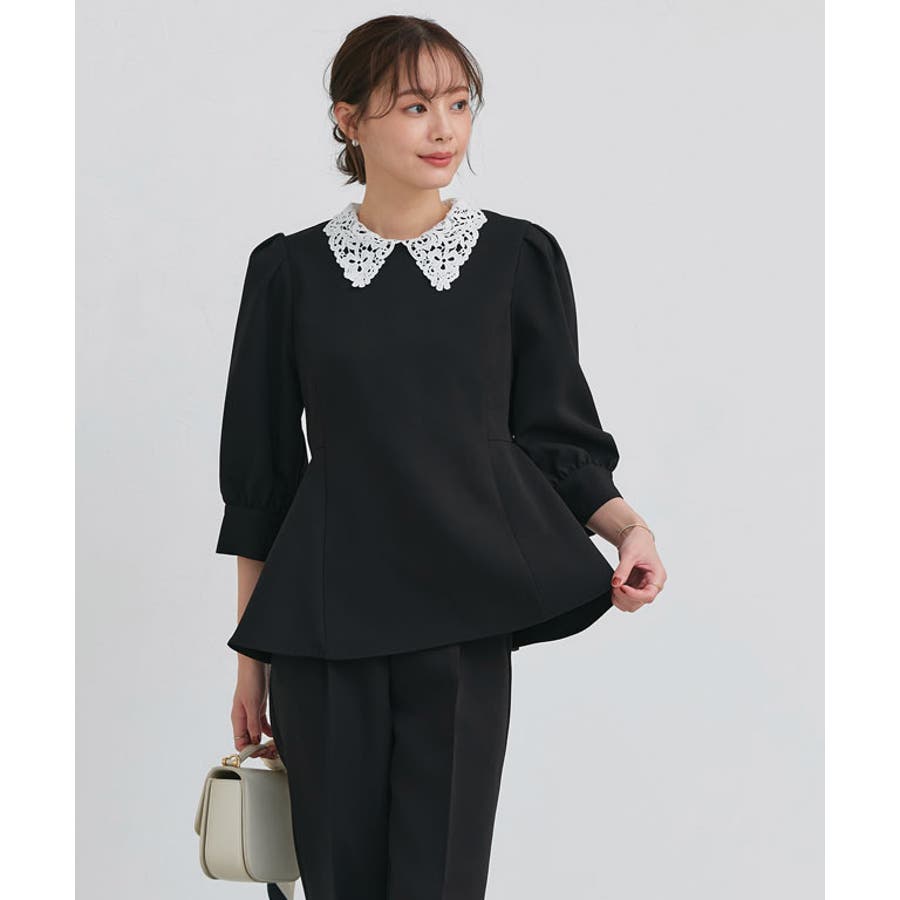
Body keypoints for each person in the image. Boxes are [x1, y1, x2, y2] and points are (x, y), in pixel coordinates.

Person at [214, 14, 667, 900]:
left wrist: (628, 530)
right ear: (350, 120)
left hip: (463, 619)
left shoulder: (516, 257)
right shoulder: (289, 272)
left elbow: (558, 440)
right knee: (338, 883)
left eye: (459, 104)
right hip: (322, 629)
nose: (444, 128)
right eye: (415, 105)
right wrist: (249, 665)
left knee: (442, 883)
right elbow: (262, 483)